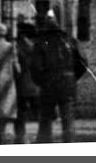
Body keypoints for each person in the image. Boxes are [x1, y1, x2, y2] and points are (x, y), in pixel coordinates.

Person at [29, 12, 88, 143]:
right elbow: (83, 63)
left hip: (48, 82)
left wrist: (41, 81)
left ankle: (45, 143)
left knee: (46, 118)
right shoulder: (70, 41)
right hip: (68, 83)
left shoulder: (41, 42)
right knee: (68, 117)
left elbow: (35, 67)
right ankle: (68, 143)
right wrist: (73, 77)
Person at [12, 19, 39, 144]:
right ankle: (39, 136)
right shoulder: (36, 47)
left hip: (21, 85)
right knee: (36, 112)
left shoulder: (18, 48)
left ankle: (20, 137)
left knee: (20, 113)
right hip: (35, 85)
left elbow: (15, 67)